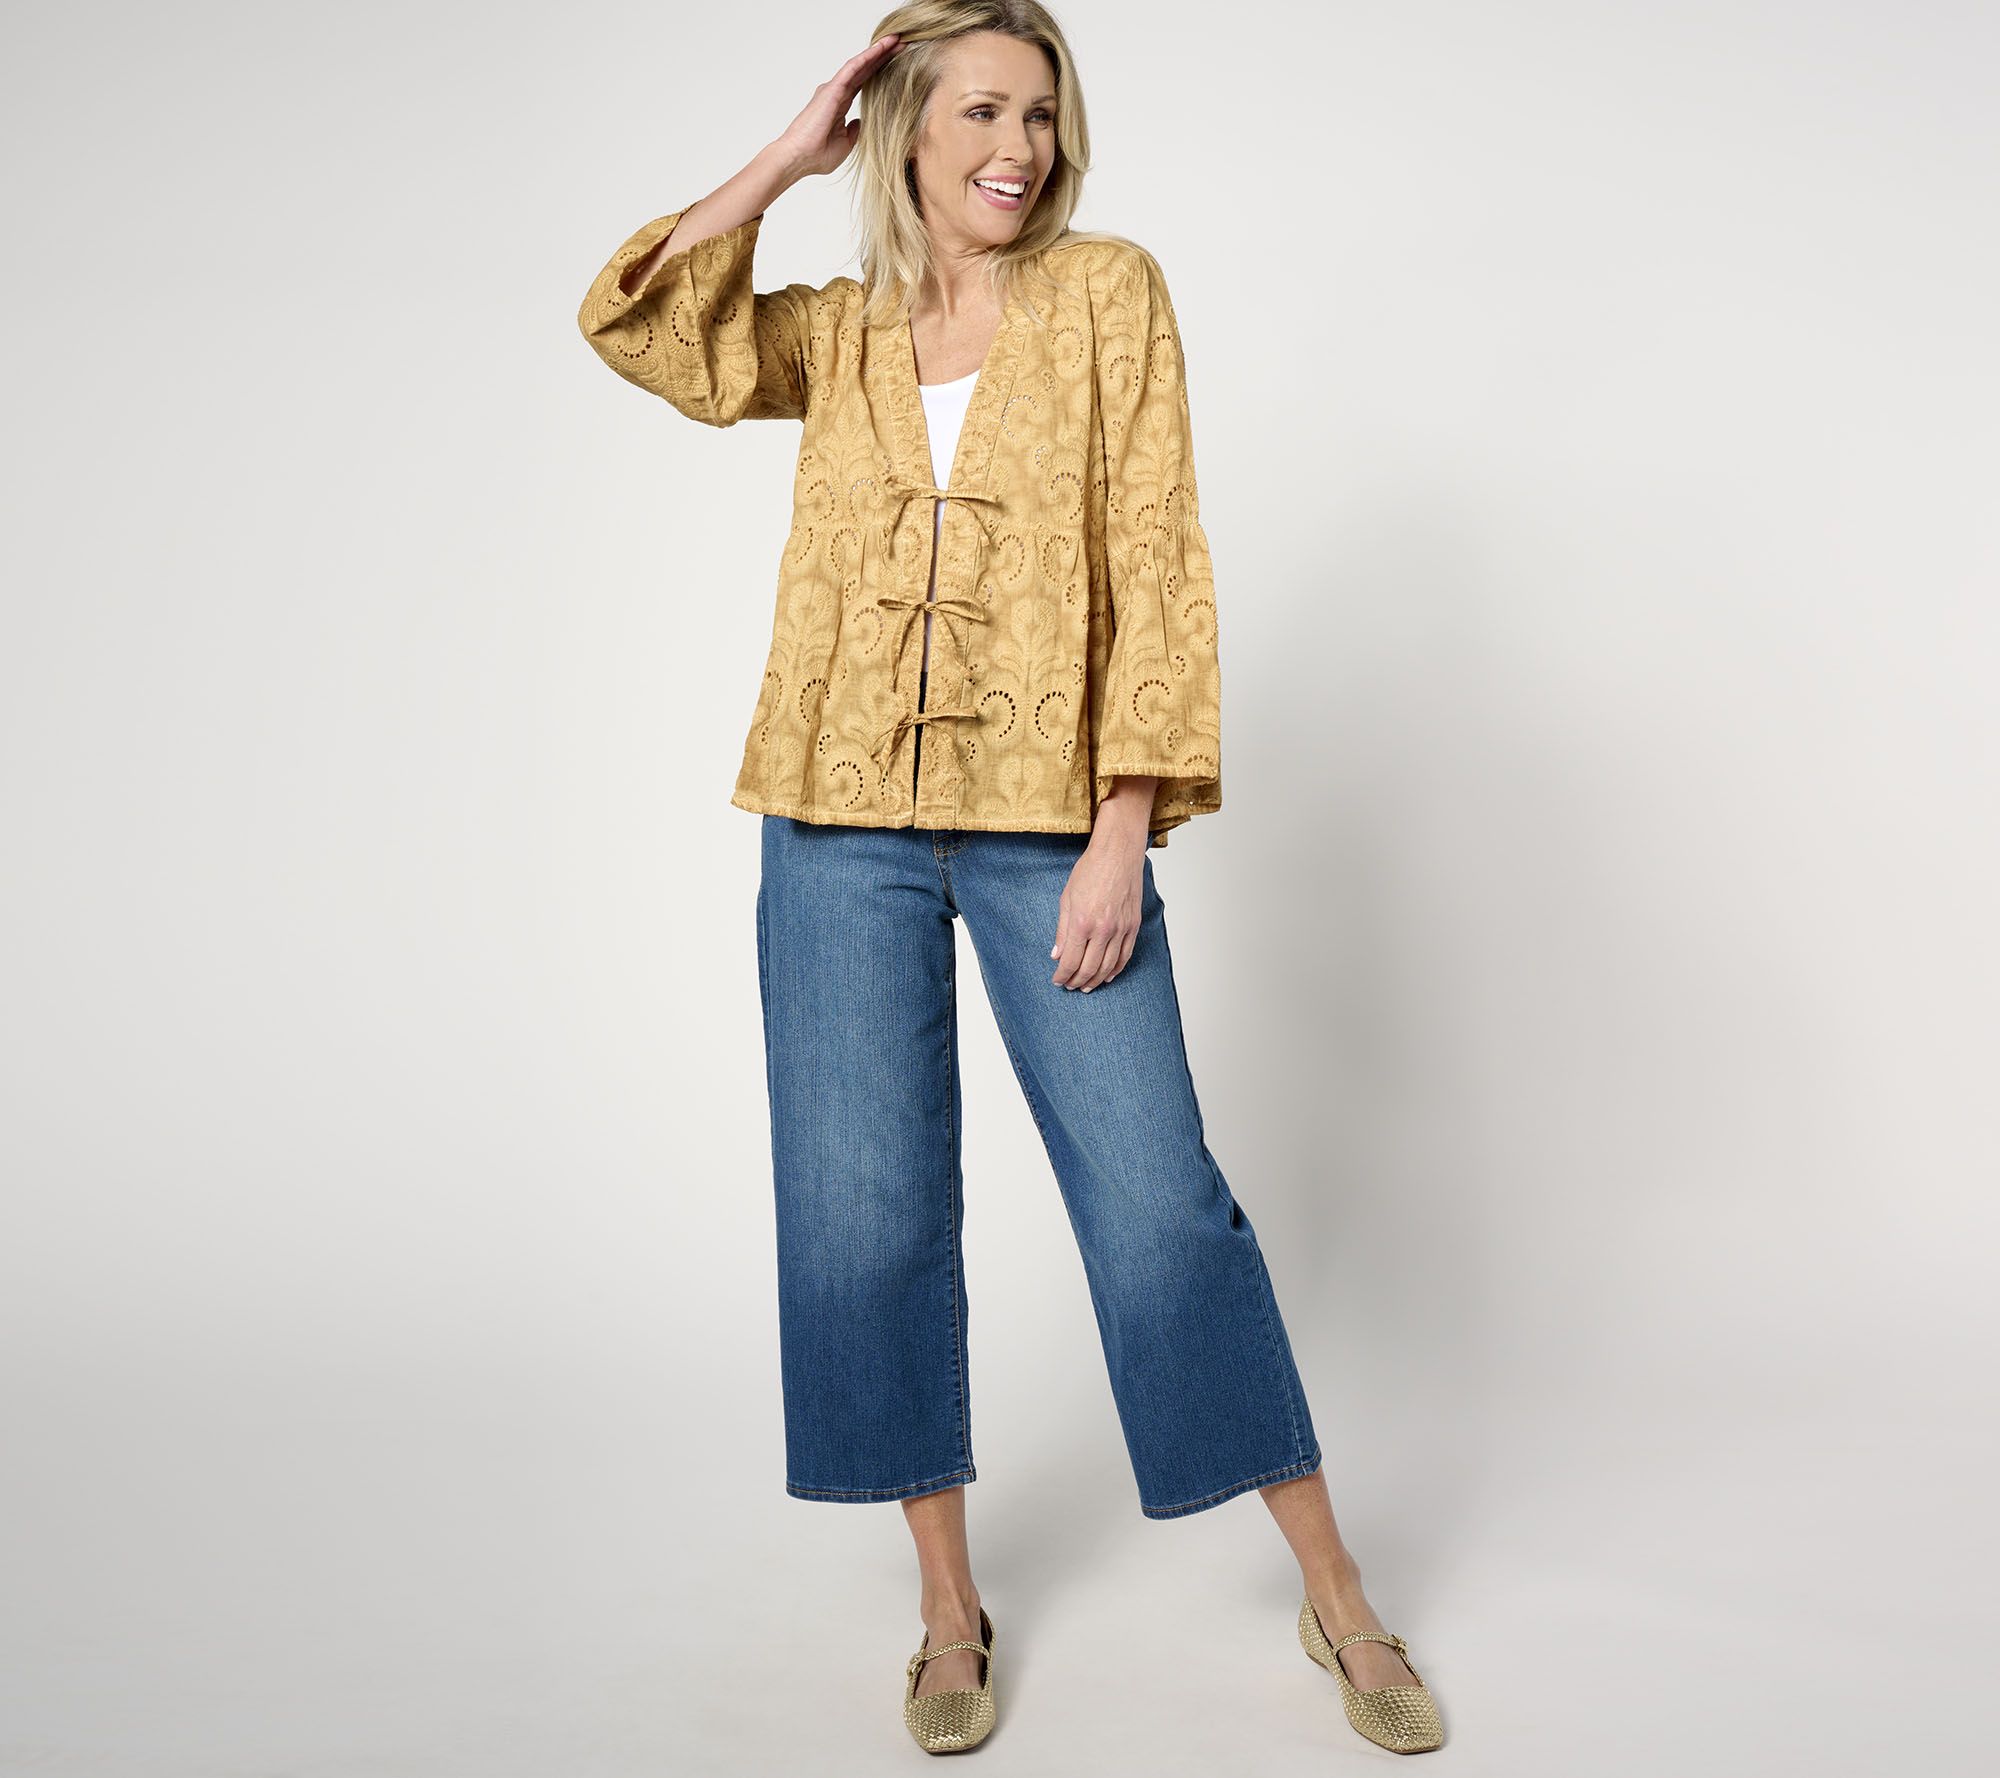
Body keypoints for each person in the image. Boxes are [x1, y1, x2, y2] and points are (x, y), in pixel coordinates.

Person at [576, 5, 1445, 1757]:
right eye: (980, 109)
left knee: (1159, 1203)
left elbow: (1160, 554)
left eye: (1040, 113)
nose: (1018, 146)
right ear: (905, 126)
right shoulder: (837, 331)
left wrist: (1126, 822)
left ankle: (1337, 1590)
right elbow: (640, 325)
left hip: (1054, 823)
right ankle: (948, 1608)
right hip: (832, 820)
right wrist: (788, 152)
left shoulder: (1110, 294)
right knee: (867, 1212)